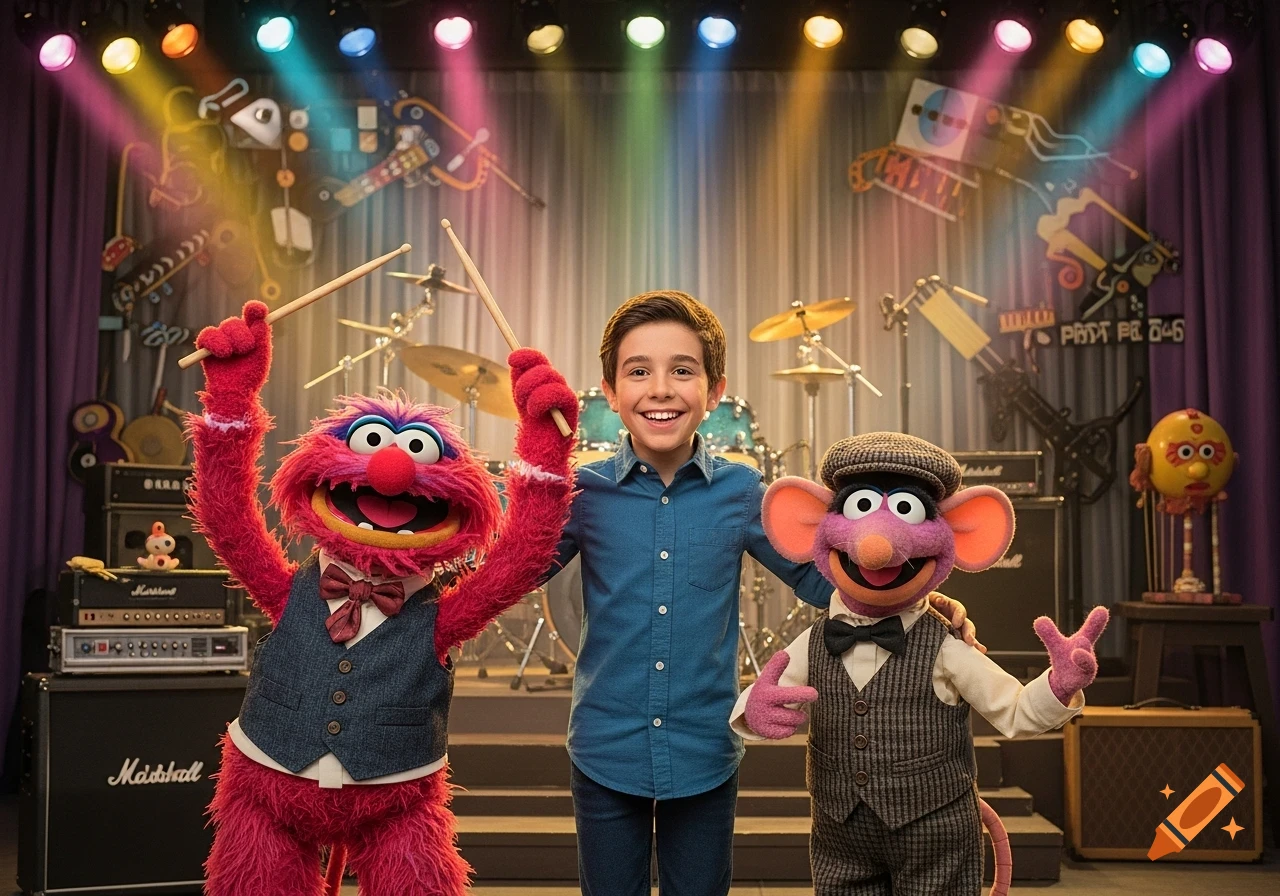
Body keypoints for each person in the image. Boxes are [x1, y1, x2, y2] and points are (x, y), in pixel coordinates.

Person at [544, 290, 975, 896]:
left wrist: (919, 603)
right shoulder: (581, 493)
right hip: (604, 748)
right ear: (610, 392)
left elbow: (828, 582)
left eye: (682, 370)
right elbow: (509, 573)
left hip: (705, 748)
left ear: (715, 391)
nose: (660, 388)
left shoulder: (745, 491)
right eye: (638, 371)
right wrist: (536, 475)